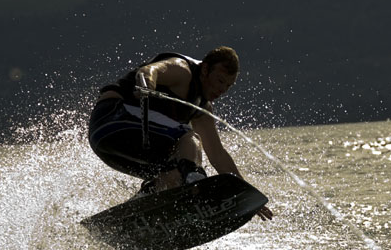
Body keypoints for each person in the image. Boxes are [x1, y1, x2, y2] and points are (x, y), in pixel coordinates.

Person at [88, 46, 273, 220]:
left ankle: (136, 209)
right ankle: (194, 180)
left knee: (174, 173)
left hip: (110, 147)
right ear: (205, 69)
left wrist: (245, 193)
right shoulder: (182, 71)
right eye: (220, 81)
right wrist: (148, 85)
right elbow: (149, 71)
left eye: (228, 86)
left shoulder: (203, 108)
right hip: (111, 119)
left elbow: (217, 154)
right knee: (189, 137)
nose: (222, 90)